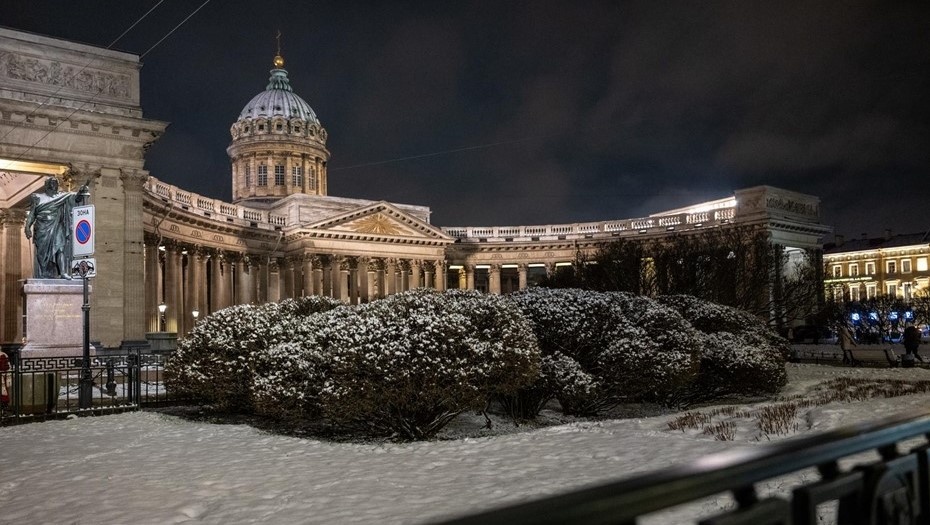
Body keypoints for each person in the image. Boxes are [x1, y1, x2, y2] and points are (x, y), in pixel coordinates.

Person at [23, 176, 89, 279]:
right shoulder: (37, 197)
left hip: (57, 226)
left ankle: (63, 272)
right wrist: (27, 227)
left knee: (60, 248)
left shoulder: (62, 196)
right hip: (42, 228)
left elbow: (76, 198)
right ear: (46, 185)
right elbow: (32, 214)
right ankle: (43, 272)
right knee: (42, 253)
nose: (54, 185)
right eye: (51, 183)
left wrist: (81, 191)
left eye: (55, 183)